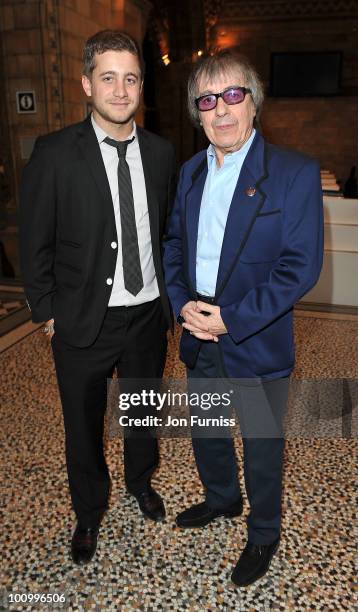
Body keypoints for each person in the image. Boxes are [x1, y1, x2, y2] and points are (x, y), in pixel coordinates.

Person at [163, 50, 323, 587]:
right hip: (197, 325)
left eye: (234, 95)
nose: (222, 110)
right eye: (208, 100)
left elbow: (299, 267)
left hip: (251, 332)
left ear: (254, 103)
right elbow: (174, 245)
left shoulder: (295, 173)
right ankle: (222, 500)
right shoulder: (189, 172)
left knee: (260, 441)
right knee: (207, 430)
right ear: (198, 113)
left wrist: (230, 319)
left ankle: (263, 532)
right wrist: (181, 300)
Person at [20, 29, 176, 565]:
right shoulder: (55, 153)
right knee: (83, 426)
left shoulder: (161, 153)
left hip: (146, 316)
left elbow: (165, 233)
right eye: (108, 77)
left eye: (130, 78)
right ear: (87, 84)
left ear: (140, 87)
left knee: (141, 413)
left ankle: (140, 481)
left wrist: (171, 301)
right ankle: (89, 511)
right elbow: (32, 240)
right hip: (82, 321)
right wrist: (46, 310)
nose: (120, 88)